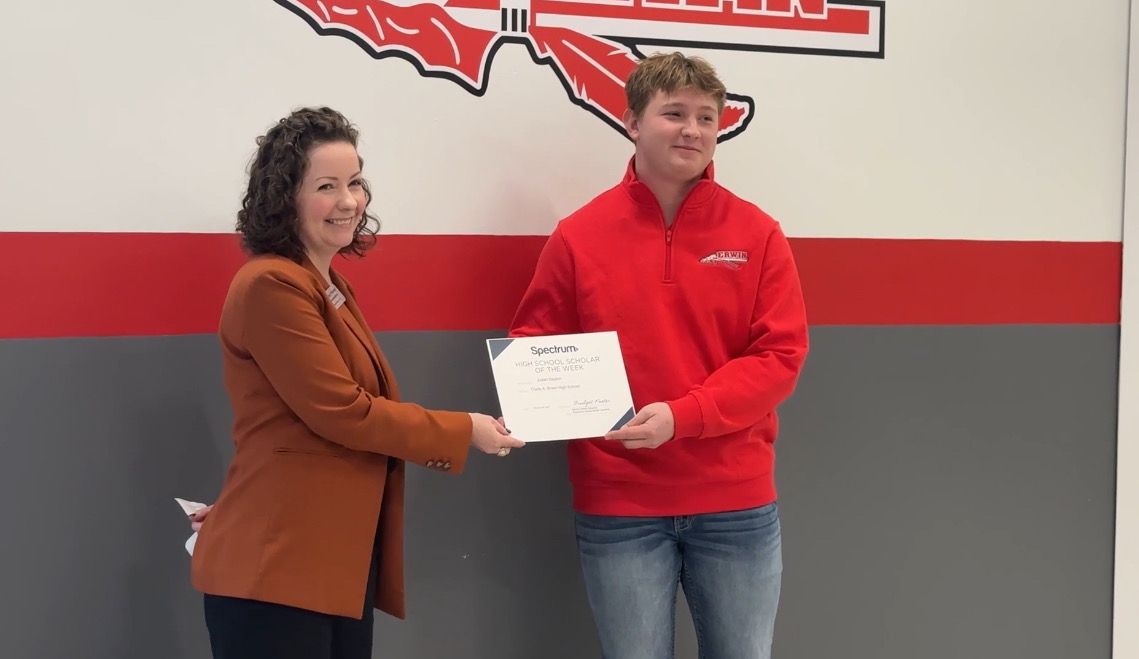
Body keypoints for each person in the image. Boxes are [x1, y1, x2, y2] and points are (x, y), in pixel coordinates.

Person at [190, 106, 524, 659]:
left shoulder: (327, 283)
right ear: (284, 197)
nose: (349, 201)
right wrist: (465, 429)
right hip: (280, 570)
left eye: (355, 182)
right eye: (327, 186)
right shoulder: (273, 283)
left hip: (328, 563)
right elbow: (344, 412)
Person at [508, 53, 809, 659]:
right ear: (632, 122)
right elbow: (534, 344)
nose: (693, 130)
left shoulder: (759, 234)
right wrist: (547, 395)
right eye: (674, 113)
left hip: (736, 505)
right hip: (621, 506)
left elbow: (779, 355)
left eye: (706, 116)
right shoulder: (578, 235)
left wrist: (684, 416)